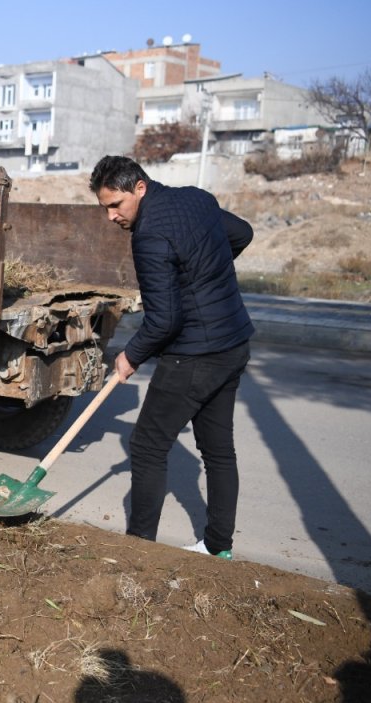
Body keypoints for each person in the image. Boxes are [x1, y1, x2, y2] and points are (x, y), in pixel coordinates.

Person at [89, 156, 253, 561]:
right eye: (105, 207)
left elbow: (164, 320)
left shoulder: (148, 236)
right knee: (218, 451)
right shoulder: (198, 199)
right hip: (233, 342)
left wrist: (130, 355)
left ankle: (138, 552)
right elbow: (242, 233)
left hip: (194, 355)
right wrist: (206, 269)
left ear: (139, 188)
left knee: (146, 447)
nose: (111, 216)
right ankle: (218, 547)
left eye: (116, 205)